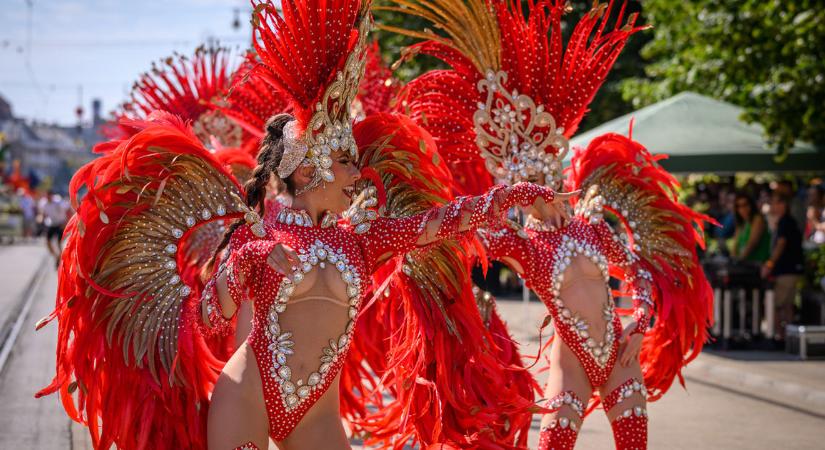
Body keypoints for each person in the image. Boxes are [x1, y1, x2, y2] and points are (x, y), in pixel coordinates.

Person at [383, 1, 713, 449]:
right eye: (529, 186)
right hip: (570, 364)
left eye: (544, 181)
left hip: (619, 358)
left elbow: (637, 275)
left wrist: (639, 323)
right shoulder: (521, 244)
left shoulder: (592, 227)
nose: (542, 191)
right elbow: (463, 237)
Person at [762, 193, 804, 341]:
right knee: (787, 305)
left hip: (786, 270)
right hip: (791, 269)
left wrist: (769, 264)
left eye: (775, 203)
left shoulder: (785, 222)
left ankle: (780, 337)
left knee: (775, 305)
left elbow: (781, 244)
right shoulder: (785, 222)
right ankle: (789, 339)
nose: (772, 207)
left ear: (783, 205)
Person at [731, 192, 771, 264]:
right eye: (739, 206)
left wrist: (739, 260)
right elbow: (735, 245)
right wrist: (733, 259)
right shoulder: (741, 223)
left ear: (751, 205)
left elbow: (752, 242)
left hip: (758, 263)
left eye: (745, 204)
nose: (743, 209)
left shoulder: (758, 219)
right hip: (744, 263)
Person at [41, 191, 69, 266]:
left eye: (49, 196)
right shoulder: (44, 204)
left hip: (60, 223)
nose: (48, 198)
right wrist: (42, 218)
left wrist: (66, 222)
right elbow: (44, 213)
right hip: (52, 223)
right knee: (47, 241)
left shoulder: (58, 202)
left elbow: (67, 210)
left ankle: (62, 258)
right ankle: (56, 256)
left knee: (59, 243)